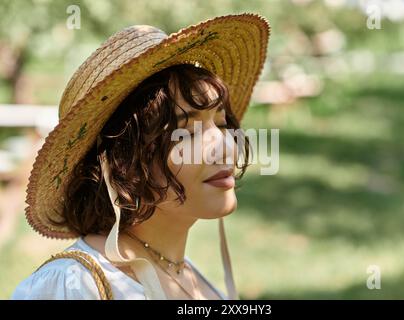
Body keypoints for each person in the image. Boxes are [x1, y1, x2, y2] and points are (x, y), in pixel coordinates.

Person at [11, 13, 270, 300]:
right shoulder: (75, 285)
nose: (225, 146)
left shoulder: (189, 277)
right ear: (124, 160)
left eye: (221, 124)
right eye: (188, 131)